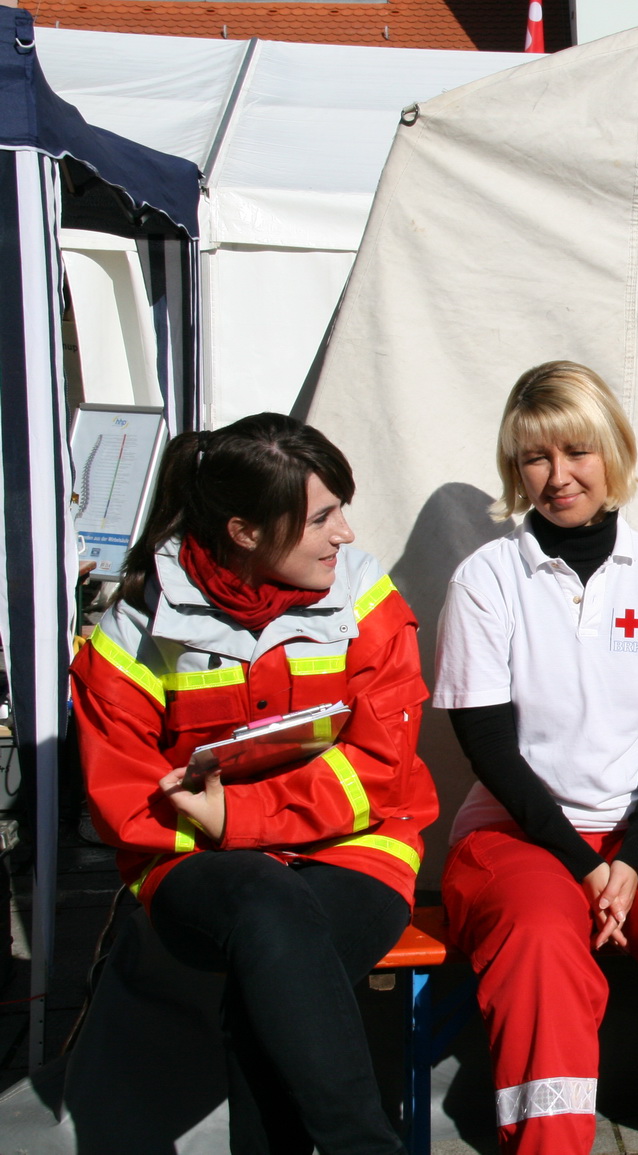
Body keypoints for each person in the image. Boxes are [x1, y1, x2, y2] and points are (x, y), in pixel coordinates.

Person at [70, 413, 438, 1155]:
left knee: (270, 976)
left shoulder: (365, 597)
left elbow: (379, 767)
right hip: (196, 867)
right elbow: (127, 800)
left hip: (357, 853)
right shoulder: (133, 626)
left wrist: (236, 814)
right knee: (268, 913)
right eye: (323, 516)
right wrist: (227, 830)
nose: (346, 534)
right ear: (243, 530)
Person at [433, 361, 638, 1155]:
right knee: (542, 947)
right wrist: (582, 863)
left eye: (576, 451)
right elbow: (486, 744)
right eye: (534, 458)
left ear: (612, 449)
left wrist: (637, 855)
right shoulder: (486, 579)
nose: (558, 476)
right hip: (519, 829)